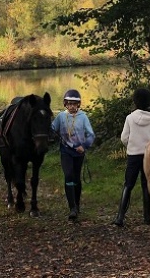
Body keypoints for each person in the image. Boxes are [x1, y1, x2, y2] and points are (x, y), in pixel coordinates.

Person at [114, 88, 150, 227]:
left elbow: (124, 138)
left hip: (133, 156)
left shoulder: (130, 118)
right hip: (148, 156)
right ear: (148, 102)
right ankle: (147, 218)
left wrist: (132, 145)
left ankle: (120, 217)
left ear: (135, 101)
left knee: (128, 184)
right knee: (146, 185)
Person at [51, 89, 95, 221]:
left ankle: (77, 203)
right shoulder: (60, 116)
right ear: (65, 104)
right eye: (69, 104)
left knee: (76, 178)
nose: (71, 106)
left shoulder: (83, 117)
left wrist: (85, 145)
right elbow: (53, 129)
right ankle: (72, 208)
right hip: (66, 151)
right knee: (68, 175)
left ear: (78, 105)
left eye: (74, 104)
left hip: (79, 152)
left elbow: (91, 135)